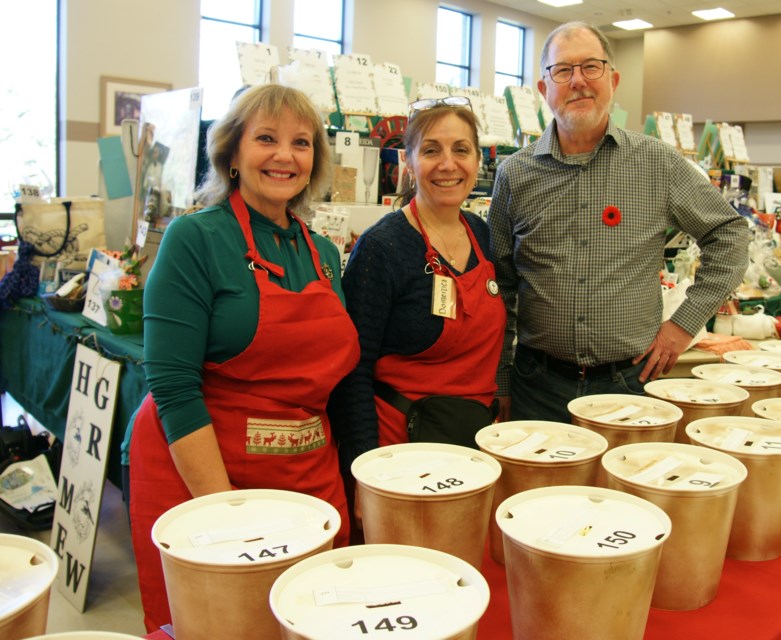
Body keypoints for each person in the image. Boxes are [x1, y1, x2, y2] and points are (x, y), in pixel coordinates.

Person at [127, 84, 359, 632]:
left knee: (312, 614)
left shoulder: (324, 254)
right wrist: (229, 515)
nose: (285, 155)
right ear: (232, 153)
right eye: (266, 139)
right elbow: (174, 386)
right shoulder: (194, 238)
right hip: (207, 473)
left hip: (308, 474)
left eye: (301, 143)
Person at [488, 22, 749, 423]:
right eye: (563, 70)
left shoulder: (656, 163)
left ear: (613, 80)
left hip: (627, 384)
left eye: (591, 67)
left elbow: (728, 234)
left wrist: (683, 325)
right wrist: (502, 380)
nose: (578, 81)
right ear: (544, 89)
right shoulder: (515, 175)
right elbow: (501, 287)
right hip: (536, 386)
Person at [331, 97, 504, 485]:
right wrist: (363, 472)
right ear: (407, 163)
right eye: (430, 150)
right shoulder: (382, 247)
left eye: (461, 150)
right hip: (399, 453)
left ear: (477, 161)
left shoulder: (482, 234)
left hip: (472, 442)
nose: (447, 164)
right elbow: (352, 372)